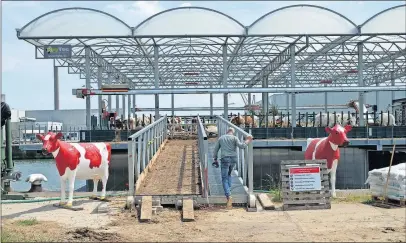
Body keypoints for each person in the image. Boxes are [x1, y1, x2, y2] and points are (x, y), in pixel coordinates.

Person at [212, 127, 253, 208]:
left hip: (225, 159)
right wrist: (248, 140)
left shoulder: (221, 138)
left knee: (224, 178)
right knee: (229, 175)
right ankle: (229, 190)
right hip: (233, 159)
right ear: (233, 132)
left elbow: (215, 150)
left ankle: (228, 196)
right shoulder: (235, 138)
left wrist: (215, 159)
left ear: (227, 131)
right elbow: (242, 146)